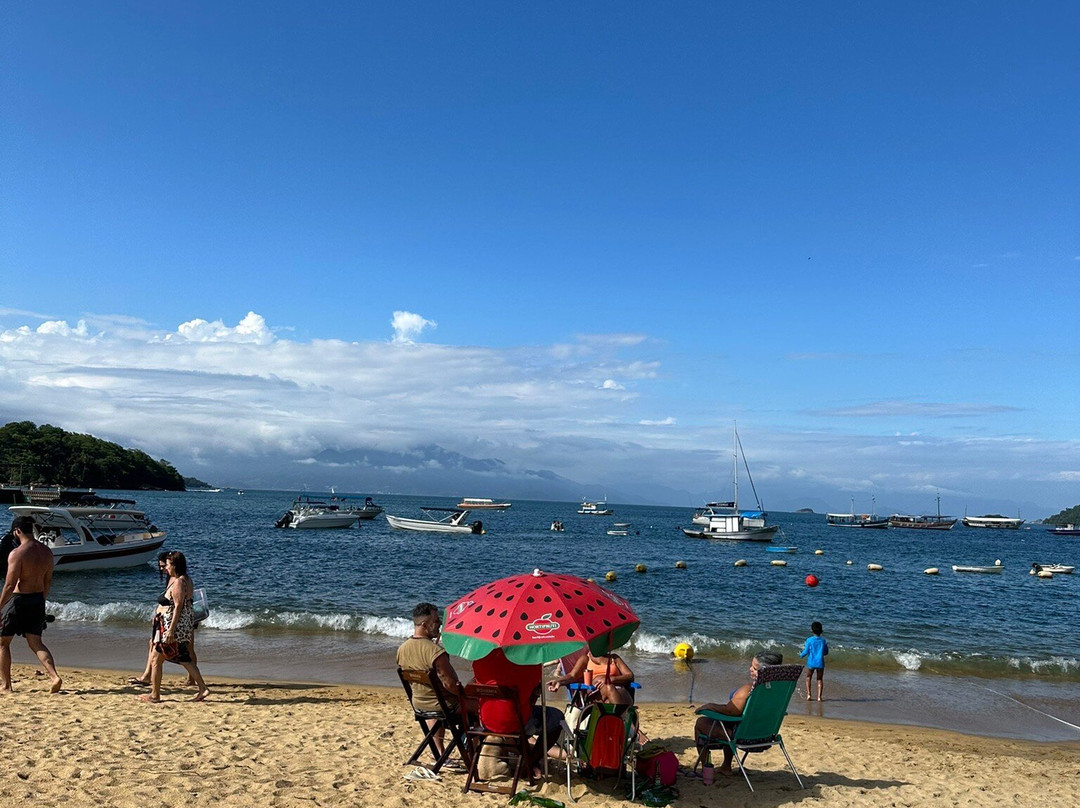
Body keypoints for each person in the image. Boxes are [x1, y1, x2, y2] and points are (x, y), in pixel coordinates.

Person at [473, 648, 564, 778]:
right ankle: (530, 761)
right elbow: (532, 696)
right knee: (556, 717)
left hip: (486, 720)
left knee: (517, 710)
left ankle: (525, 756)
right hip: (515, 723)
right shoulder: (530, 662)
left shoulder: (481, 659)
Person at [694, 650, 783, 776]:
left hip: (743, 738)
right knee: (731, 722)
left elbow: (730, 711)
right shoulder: (779, 691)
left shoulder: (749, 690)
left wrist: (709, 706)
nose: (750, 669)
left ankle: (705, 768)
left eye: (755, 668)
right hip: (766, 736)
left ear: (765, 671)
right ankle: (725, 766)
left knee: (701, 722)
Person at [0, 516, 62, 693]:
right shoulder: (46, 552)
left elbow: (10, 585)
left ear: (17, 531)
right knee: (36, 643)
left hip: (19, 600)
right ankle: (54, 676)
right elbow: (47, 581)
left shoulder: (17, 553)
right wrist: (41, 601)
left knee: (3, 642)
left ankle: (6, 686)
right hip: (37, 599)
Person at [396, 602, 464, 761]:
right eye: (436, 620)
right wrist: (464, 694)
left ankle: (439, 752)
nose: (440, 623)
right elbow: (450, 685)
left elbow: (420, 665)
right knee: (480, 706)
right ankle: (471, 753)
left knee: (435, 697)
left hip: (419, 704)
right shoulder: (436, 652)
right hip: (442, 706)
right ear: (425, 625)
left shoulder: (402, 649)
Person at [139, 552, 209, 703]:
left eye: (168, 565)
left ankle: (155, 695)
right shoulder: (187, 580)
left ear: (175, 565)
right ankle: (202, 688)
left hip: (173, 627)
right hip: (180, 626)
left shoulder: (178, 583)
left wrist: (170, 629)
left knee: (159, 659)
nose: (166, 568)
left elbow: (178, 607)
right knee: (182, 657)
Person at [547, 650, 635, 707]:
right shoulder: (586, 659)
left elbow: (629, 675)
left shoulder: (614, 658)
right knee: (609, 687)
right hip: (596, 692)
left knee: (608, 702)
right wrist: (559, 681)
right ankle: (622, 722)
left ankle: (616, 725)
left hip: (619, 692)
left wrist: (611, 679)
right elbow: (572, 676)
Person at [799, 621, 829, 701]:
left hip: (811, 662)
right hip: (820, 663)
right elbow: (826, 652)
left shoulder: (809, 640)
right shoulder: (823, 641)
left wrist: (801, 655)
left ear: (811, 630)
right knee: (819, 679)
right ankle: (819, 697)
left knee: (808, 677)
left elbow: (806, 651)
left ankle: (809, 694)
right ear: (821, 631)